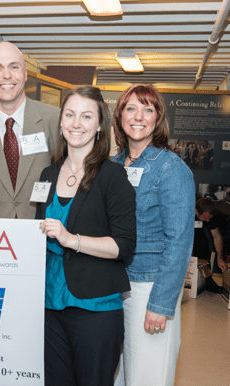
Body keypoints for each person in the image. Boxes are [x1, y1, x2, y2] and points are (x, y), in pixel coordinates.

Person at [36, 86, 137, 386]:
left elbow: (124, 246)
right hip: (48, 306)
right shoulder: (48, 175)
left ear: (99, 126)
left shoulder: (113, 176)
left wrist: (71, 239)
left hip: (94, 309)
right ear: (61, 122)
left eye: (86, 116)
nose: (76, 123)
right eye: (69, 114)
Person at [112, 84, 195, 386]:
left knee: (147, 377)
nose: (138, 116)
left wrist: (160, 305)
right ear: (119, 115)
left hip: (149, 287)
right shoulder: (112, 165)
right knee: (121, 376)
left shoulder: (171, 168)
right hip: (114, 287)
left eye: (148, 109)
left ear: (158, 118)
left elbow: (180, 242)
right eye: (131, 108)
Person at [0, 41, 60, 219]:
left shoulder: (55, 119)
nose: (7, 75)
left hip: (43, 233)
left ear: (25, 74)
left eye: (14, 67)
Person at [194, 197, 228, 273]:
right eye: (206, 218)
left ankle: (207, 278)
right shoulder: (186, 214)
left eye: (209, 218)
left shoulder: (211, 217)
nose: (208, 220)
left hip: (203, 235)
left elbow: (216, 236)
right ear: (196, 212)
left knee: (206, 245)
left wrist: (220, 258)